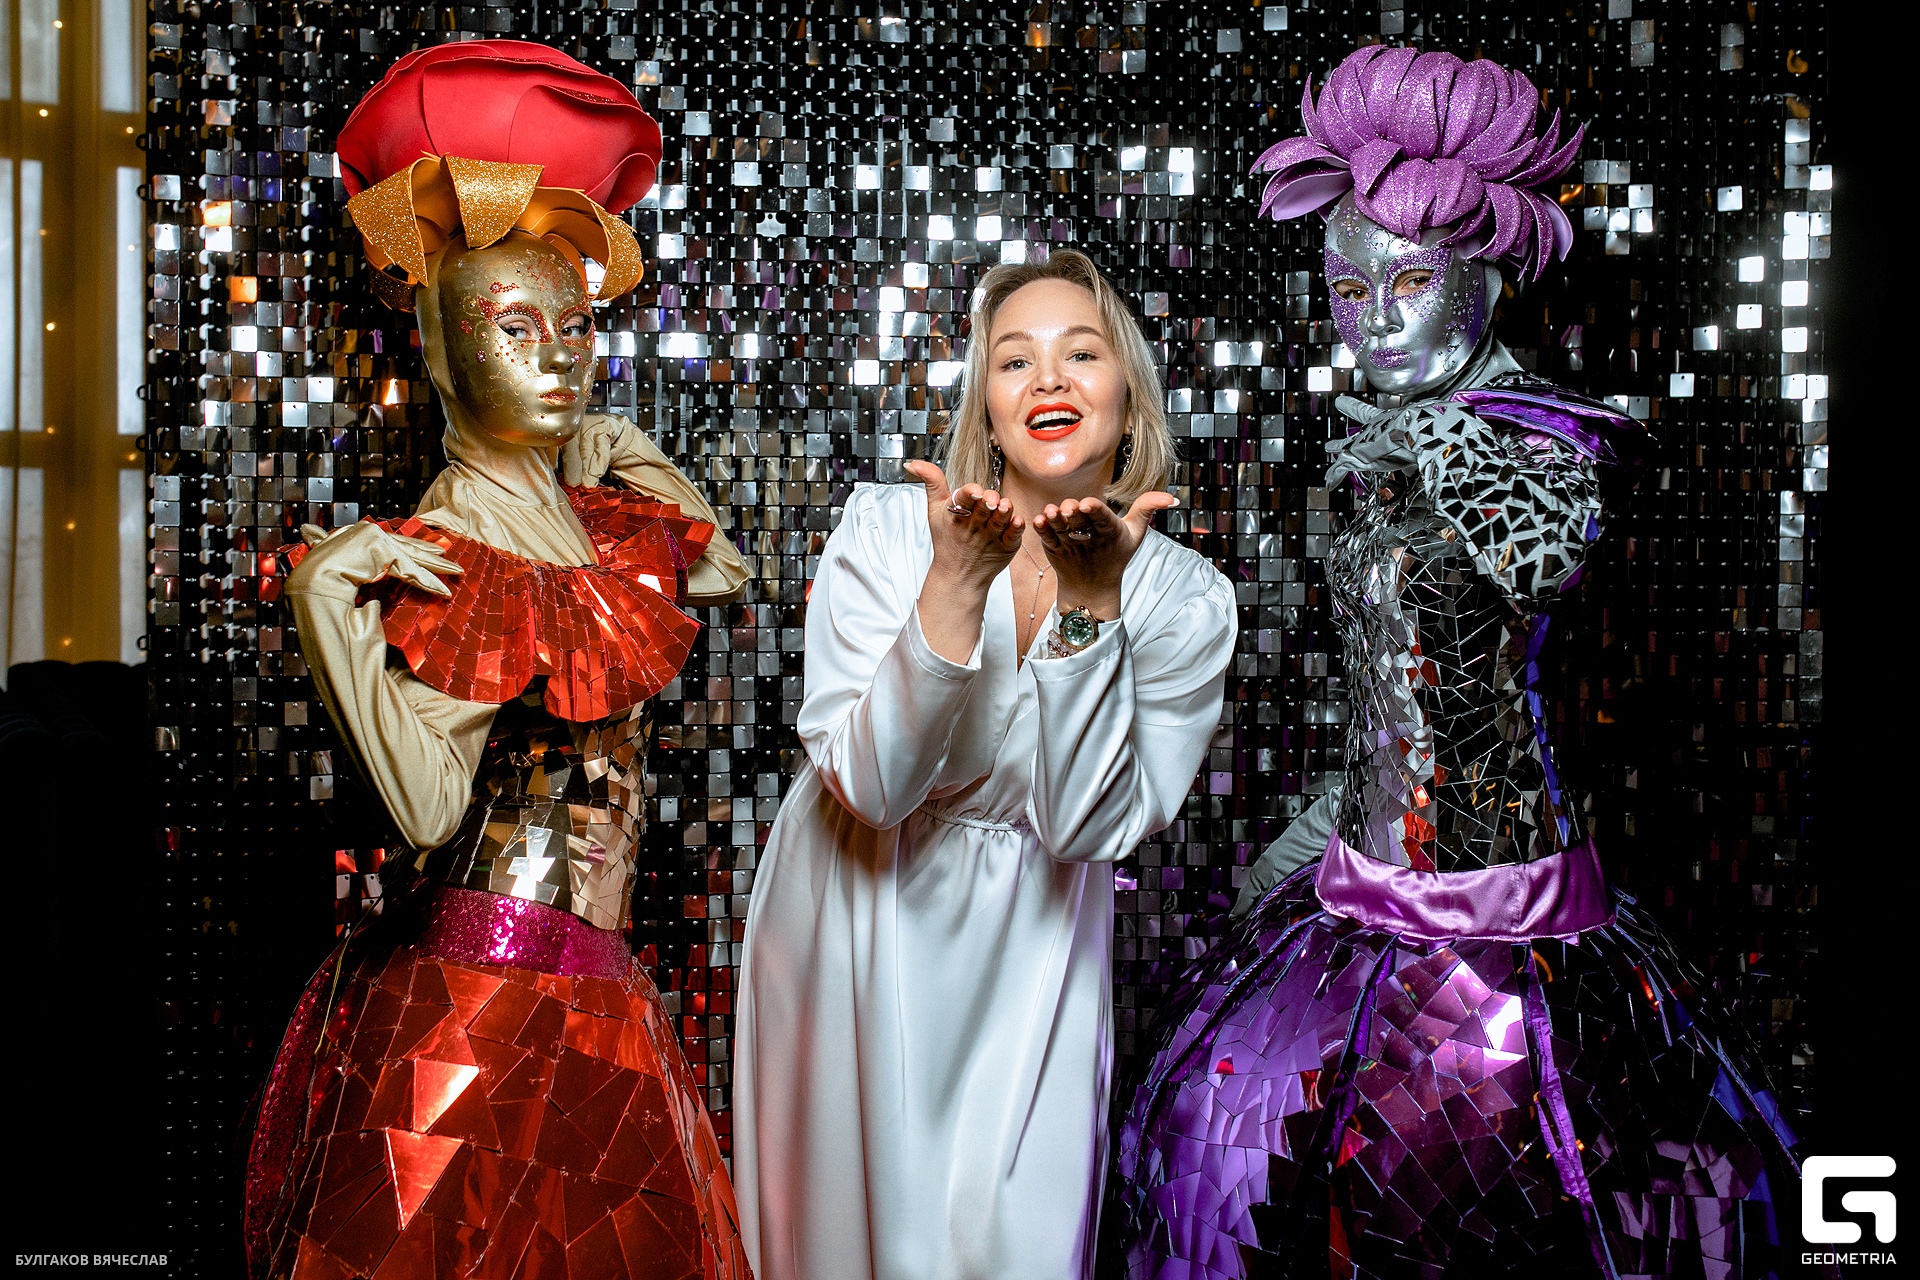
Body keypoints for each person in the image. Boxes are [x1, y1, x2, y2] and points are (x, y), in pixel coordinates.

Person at [1113, 45, 1814, 1279]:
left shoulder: (1547, 442)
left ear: (1486, 272)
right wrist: (1309, 840)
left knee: (1533, 1191)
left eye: (1411, 280)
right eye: (1347, 289)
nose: (1375, 322)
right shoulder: (1382, 449)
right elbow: (1398, 697)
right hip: (1361, 895)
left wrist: (1443, 438)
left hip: (1511, 920)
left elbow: (1543, 558)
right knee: (1239, 1160)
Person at [242, 42, 752, 1280]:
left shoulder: (585, 519)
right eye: (518, 329)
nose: (563, 356)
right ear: (440, 348)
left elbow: (723, 570)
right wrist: (324, 606)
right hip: (480, 1001)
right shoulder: (458, 537)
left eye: (577, 327)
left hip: (595, 986)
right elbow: (426, 806)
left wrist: (618, 444)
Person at [733, 249, 1237, 1280]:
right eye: (1015, 360)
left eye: (1081, 353)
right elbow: (873, 789)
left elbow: (1085, 826)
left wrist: (1090, 609)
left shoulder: (1187, 599)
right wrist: (955, 585)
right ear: (989, 409)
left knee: (1014, 1242)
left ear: (1128, 394)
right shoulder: (886, 532)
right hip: (852, 917)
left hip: (1035, 946)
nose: (1049, 380)